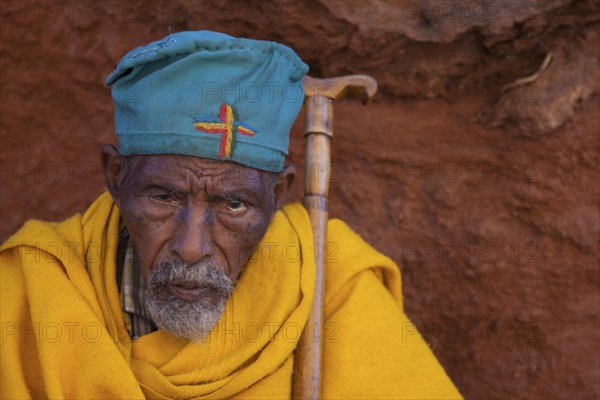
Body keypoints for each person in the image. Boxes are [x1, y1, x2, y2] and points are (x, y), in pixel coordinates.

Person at [1, 30, 462, 399]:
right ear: (116, 176)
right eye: (164, 198)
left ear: (279, 192)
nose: (191, 246)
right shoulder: (30, 291)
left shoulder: (330, 285)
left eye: (233, 204)